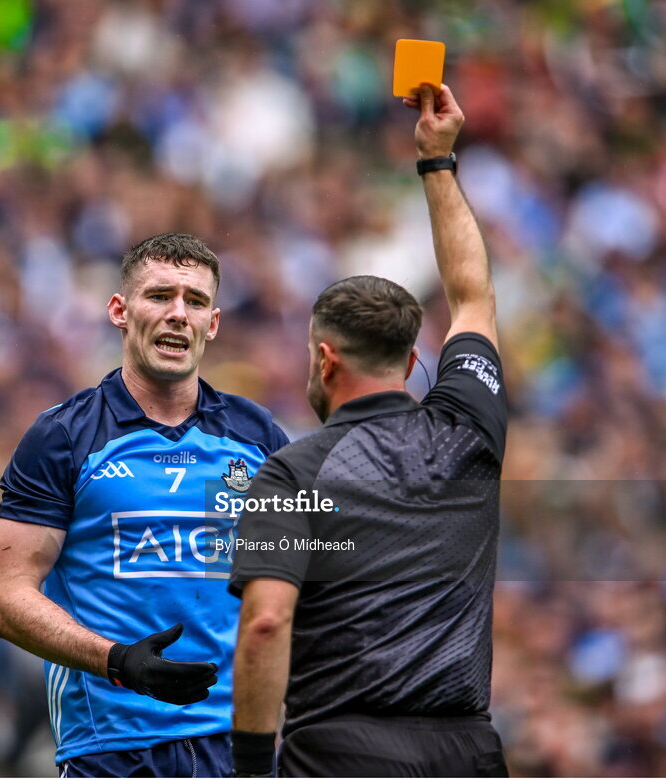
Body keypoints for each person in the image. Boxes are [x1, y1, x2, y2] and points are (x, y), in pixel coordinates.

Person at [228, 83, 509, 777]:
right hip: (468, 754)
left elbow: (266, 623)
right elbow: (472, 293)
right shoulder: (470, 428)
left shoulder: (291, 475)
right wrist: (437, 163)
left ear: (325, 359)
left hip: (340, 755)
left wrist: (251, 764)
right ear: (414, 362)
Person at [0, 233, 289, 777]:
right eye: (159, 296)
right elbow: (6, 600)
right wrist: (117, 661)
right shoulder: (63, 436)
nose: (178, 314)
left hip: (241, 750)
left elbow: (300, 583)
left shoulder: (259, 437)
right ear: (119, 311)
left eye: (195, 301)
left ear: (213, 324)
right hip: (111, 750)